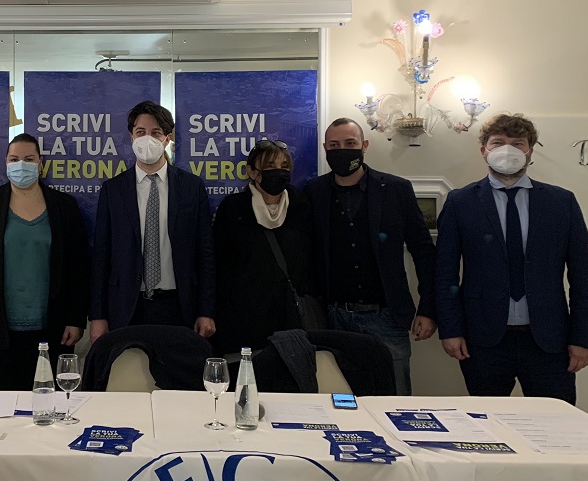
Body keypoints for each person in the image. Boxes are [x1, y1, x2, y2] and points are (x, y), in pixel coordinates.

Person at [435, 113, 588, 404]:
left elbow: (583, 276)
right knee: (488, 423)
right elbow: (445, 273)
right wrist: (450, 330)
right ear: (484, 150)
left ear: (530, 151)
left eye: (518, 143)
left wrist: (583, 338)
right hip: (483, 340)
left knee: (555, 423)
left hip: (549, 340)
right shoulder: (460, 202)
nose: (507, 150)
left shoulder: (562, 203)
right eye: (498, 143)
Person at [303, 117, 436, 396]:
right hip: (334, 318)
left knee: (396, 399)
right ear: (325, 148)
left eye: (350, 143)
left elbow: (423, 251)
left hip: (387, 316)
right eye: (334, 145)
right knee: (341, 399)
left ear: (364, 145)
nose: (342, 150)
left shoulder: (396, 189)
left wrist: (427, 309)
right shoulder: (314, 191)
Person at [0, 133, 90, 390]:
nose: (21, 165)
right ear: (5, 162)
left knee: (46, 404)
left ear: (40, 163)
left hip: (52, 329)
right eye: (14, 159)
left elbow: (79, 268)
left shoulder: (64, 207)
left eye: (29, 159)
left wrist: (76, 318)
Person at [90, 100, 215, 343]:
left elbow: (205, 253)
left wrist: (206, 310)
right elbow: (101, 256)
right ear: (131, 137)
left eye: (156, 132)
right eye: (141, 132)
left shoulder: (191, 187)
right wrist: (98, 315)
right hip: (127, 307)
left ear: (167, 138)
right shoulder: (113, 190)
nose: (147, 138)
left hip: (179, 306)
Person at [212, 139, 314, 356]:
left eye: (284, 166)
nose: (278, 172)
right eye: (269, 166)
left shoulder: (301, 205)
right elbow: (219, 266)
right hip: (242, 319)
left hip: (289, 317)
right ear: (252, 171)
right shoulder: (233, 208)